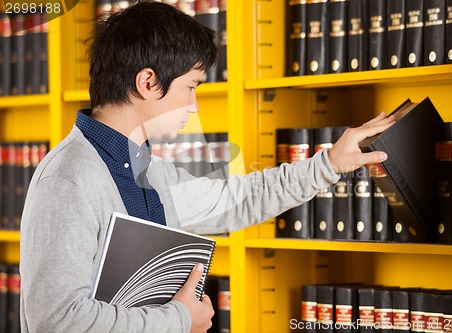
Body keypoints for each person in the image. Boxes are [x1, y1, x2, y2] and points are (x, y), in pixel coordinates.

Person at [19, 1, 394, 332]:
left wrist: (330, 163)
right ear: (149, 82)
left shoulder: (148, 171)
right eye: (192, 86)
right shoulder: (69, 179)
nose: (195, 106)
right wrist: (181, 320)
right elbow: (57, 321)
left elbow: (240, 199)